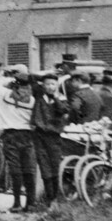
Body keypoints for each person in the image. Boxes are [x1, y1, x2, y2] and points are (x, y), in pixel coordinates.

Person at [0, 67, 37, 212]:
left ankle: (16, 203)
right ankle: (31, 203)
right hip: (27, 135)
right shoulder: (32, 100)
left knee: (15, 169)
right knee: (29, 169)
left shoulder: (4, 95)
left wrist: (10, 77)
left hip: (10, 135)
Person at [29, 71, 70, 210]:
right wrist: (42, 77)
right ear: (43, 85)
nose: (50, 87)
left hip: (54, 137)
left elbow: (63, 110)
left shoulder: (62, 99)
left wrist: (56, 98)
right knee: (44, 166)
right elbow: (31, 78)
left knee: (54, 166)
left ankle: (54, 198)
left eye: (53, 84)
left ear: (57, 85)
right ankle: (48, 197)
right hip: (39, 136)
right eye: (47, 84)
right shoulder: (38, 97)